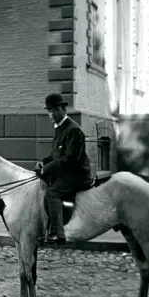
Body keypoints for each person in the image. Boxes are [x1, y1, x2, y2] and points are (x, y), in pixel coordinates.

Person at [35, 93, 92, 244]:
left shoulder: (74, 130)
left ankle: (57, 233)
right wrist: (43, 162)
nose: (51, 114)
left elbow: (70, 160)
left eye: (55, 110)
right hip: (67, 172)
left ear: (63, 109)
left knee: (52, 193)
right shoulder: (60, 128)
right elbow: (56, 155)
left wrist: (47, 169)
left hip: (77, 174)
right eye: (49, 111)